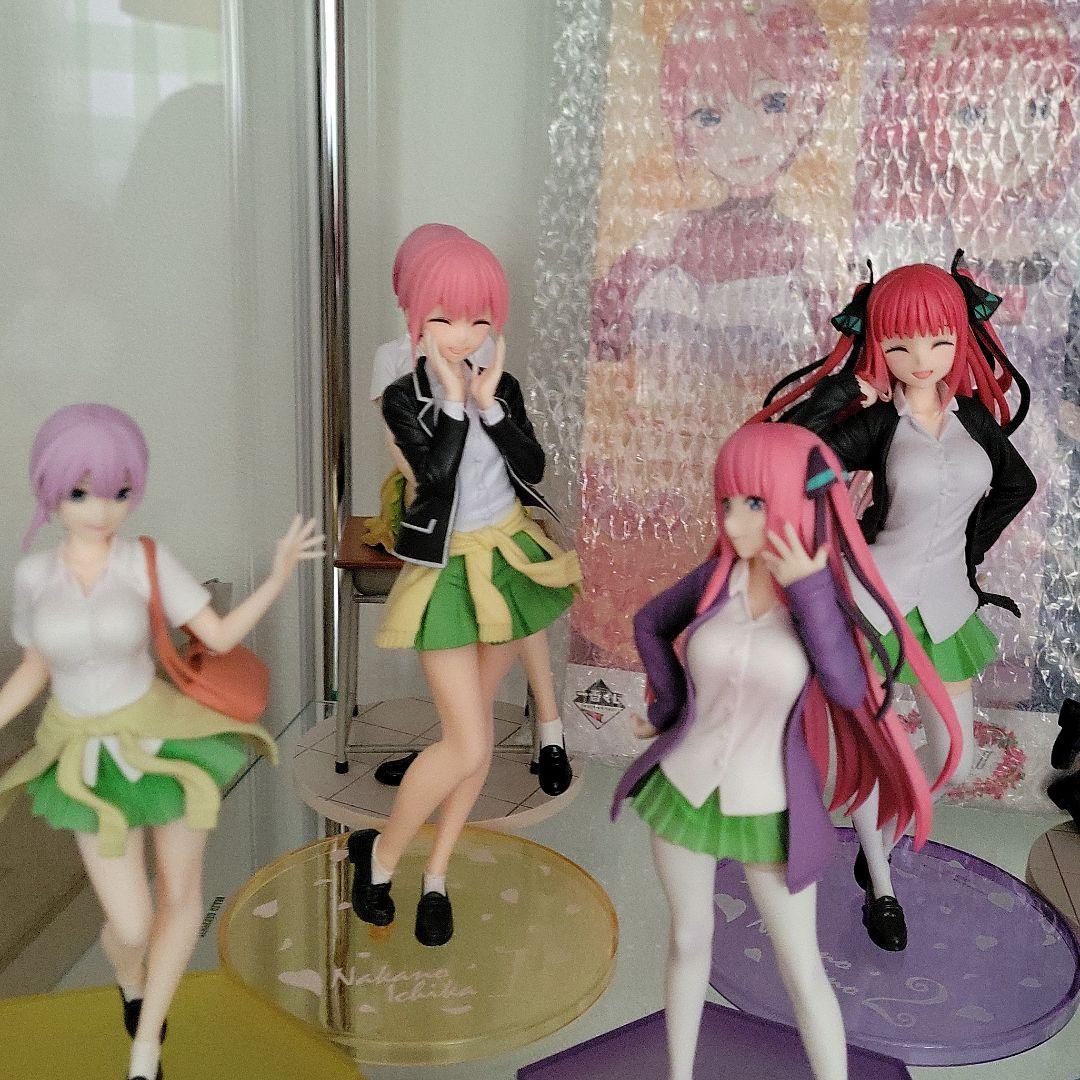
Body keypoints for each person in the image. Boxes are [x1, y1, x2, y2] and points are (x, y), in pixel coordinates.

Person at [612, 422, 958, 1080]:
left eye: (754, 503)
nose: (734, 522)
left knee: (800, 967)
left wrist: (809, 590)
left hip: (770, 805)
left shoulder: (820, 598)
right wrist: (669, 709)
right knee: (687, 940)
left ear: (798, 503)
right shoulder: (717, 579)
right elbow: (650, 624)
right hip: (684, 788)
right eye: (727, 502)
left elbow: (847, 687)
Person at [0, 404, 321, 1080]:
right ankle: (130, 977)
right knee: (131, 924)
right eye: (82, 492)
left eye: (119, 491)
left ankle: (145, 1049)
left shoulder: (146, 562)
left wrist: (277, 577)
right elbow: (32, 670)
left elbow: (220, 636)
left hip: (165, 739)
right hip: (85, 757)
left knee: (181, 895)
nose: (102, 509)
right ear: (50, 488)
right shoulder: (33, 577)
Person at [751, 258, 1036, 950]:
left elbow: (1016, 484)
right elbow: (788, 449)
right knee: (878, 750)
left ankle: (877, 837)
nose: (921, 358)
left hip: (947, 606)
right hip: (875, 601)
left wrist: (969, 550)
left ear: (961, 338)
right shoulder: (879, 424)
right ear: (878, 345)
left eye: (939, 340)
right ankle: (881, 887)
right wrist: (844, 390)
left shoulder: (973, 418)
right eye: (901, 344)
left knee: (954, 756)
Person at [348, 234, 582, 946]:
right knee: (467, 740)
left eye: (480, 320)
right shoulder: (404, 395)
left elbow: (533, 463)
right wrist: (454, 405)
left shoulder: (497, 383)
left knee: (472, 745)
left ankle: (437, 874)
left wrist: (492, 407)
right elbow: (434, 479)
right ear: (416, 317)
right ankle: (380, 859)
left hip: (505, 559)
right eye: (445, 318)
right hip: (447, 571)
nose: (464, 335)